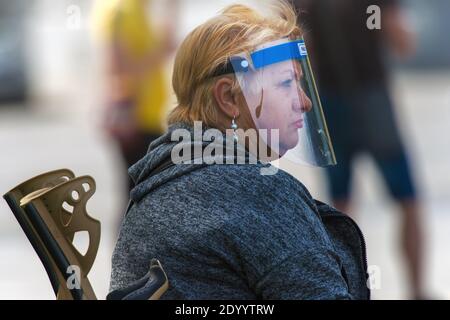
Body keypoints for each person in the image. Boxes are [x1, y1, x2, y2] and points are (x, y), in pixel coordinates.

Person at [110, 1, 369, 299]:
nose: (305, 101)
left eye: (300, 82)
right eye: (286, 83)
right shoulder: (264, 196)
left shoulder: (152, 188)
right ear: (228, 98)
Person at [292, 0, 424, 298]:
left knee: (388, 202)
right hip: (349, 100)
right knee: (353, 207)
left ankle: (403, 289)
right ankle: (400, 290)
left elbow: (401, 40)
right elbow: (402, 41)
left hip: (355, 100)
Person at [93, 0, 178, 192]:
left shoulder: (140, 9)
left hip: (149, 117)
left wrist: (172, 9)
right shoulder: (120, 10)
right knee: (138, 190)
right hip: (134, 117)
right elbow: (117, 67)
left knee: (141, 189)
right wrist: (159, 53)